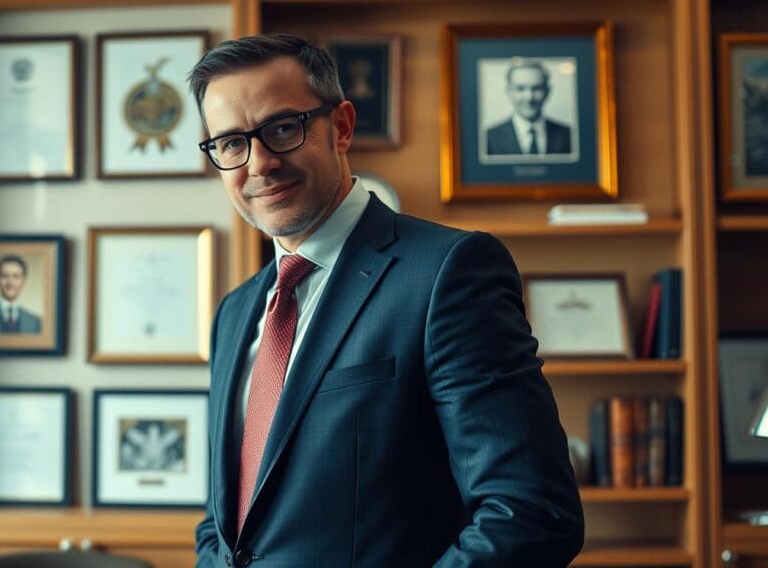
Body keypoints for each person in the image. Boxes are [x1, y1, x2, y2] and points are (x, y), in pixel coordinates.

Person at [187, 34, 584, 567]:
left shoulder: (448, 272)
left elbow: (531, 512)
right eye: (231, 143)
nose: (259, 163)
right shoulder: (234, 313)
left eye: (283, 128)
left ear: (342, 127)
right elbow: (225, 520)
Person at [485, 60, 573, 156]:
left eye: (536, 88)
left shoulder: (569, 135)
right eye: (520, 89)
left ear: (547, 92)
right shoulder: (488, 138)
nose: (529, 98)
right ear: (509, 92)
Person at [0, 254, 41, 334]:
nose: (10, 282)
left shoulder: (35, 322)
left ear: (24, 282)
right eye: (4, 276)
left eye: (16, 277)